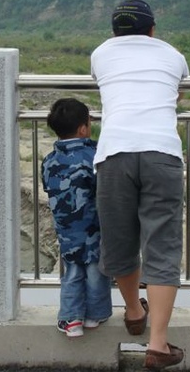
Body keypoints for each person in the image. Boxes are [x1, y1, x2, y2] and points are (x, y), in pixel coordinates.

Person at [91, 0, 189, 369]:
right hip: (161, 153)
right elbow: (176, 92)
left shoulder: (100, 54)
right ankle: (159, 344)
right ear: (152, 29)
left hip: (114, 152)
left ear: (114, 31)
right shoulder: (172, 55)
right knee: (161, 244)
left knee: (119, 236)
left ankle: (133, 311)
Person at [41, 98, 112, 338]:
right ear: (83, 128)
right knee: (96, 269)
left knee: (72, 270)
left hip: (66, 228)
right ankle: (95, 315)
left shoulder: (49, 161)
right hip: (95, 226)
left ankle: (71, 320)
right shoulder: (95, 155)